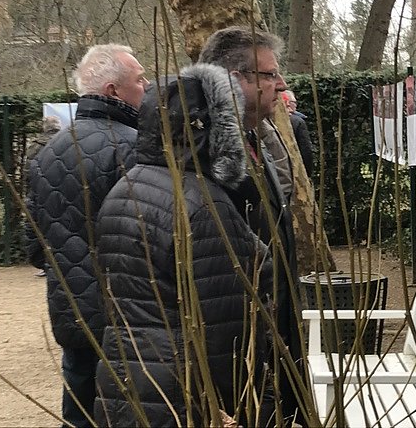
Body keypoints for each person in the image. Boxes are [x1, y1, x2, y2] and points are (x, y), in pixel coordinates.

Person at [94, 64, 274, 426]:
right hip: (184, 388)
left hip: (126, 375)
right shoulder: (202, 204)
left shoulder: (123, 190)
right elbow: (225, 330)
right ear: (217, 132)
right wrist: (246, 405)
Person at [25, 44, 147, 428]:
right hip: (129, 309)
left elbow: (34, 245)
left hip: (71, 308)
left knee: (78, 407)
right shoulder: (134, 147)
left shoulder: (47, 153)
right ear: (114, 91)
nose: (147, 86)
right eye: (140, 79)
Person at [197, 27, 303, 425]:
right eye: (270, 74)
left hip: (270, 332)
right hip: (237, 350)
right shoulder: (204, 152)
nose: (281, 84)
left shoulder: (254, 138)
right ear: (234, 79)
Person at [24, 115, 62, 278]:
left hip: (40, 192)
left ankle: (46, 263)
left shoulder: (35, 146)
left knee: (41, 228)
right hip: (61, 192)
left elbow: (28, 172)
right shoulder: (67, 141)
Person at [282, 90, 313, 177]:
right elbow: (306, 150)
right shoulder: (297, 122)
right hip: (294, 172)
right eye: (293, 102)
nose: (295, 105)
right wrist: (307, 174)